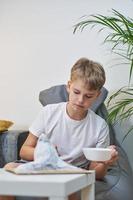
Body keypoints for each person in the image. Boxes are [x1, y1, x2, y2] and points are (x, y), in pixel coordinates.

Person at [0, 58, 118, 200]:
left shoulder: (99, 126)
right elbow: (24, 151)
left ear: (97, 96)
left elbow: (95, 172)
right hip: (42, 167)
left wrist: (105, 162)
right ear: (69, 86)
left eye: (88, 96)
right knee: (8, 169)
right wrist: (46, 153)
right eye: (76, 92)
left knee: (70, 188)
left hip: (72, 172)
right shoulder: (49, 113)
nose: (80, 100)